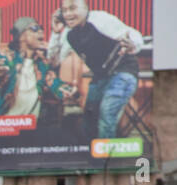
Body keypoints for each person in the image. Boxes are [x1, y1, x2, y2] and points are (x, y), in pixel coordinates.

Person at [47, 0, 143, 140]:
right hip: (100, 77)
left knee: (107, 112)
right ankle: (91, 153)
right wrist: (55, 33)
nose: (68, 14)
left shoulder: (99, 19)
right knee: (89, 119)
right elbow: (53, 60)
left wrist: (132, 45)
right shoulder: (69, 34)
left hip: (123, 72)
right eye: (64, 10)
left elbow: (132, 34)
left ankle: (104, 158)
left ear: (85, 8)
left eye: (73, 8)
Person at [0, 17, 76, 119]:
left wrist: (70, 91)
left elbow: (54, 83)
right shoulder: (6, 59)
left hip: (29, 127)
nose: (40, 31)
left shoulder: (42, 63)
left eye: (41, 28)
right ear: (21, 36)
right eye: (35, 28)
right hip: (3, 125)